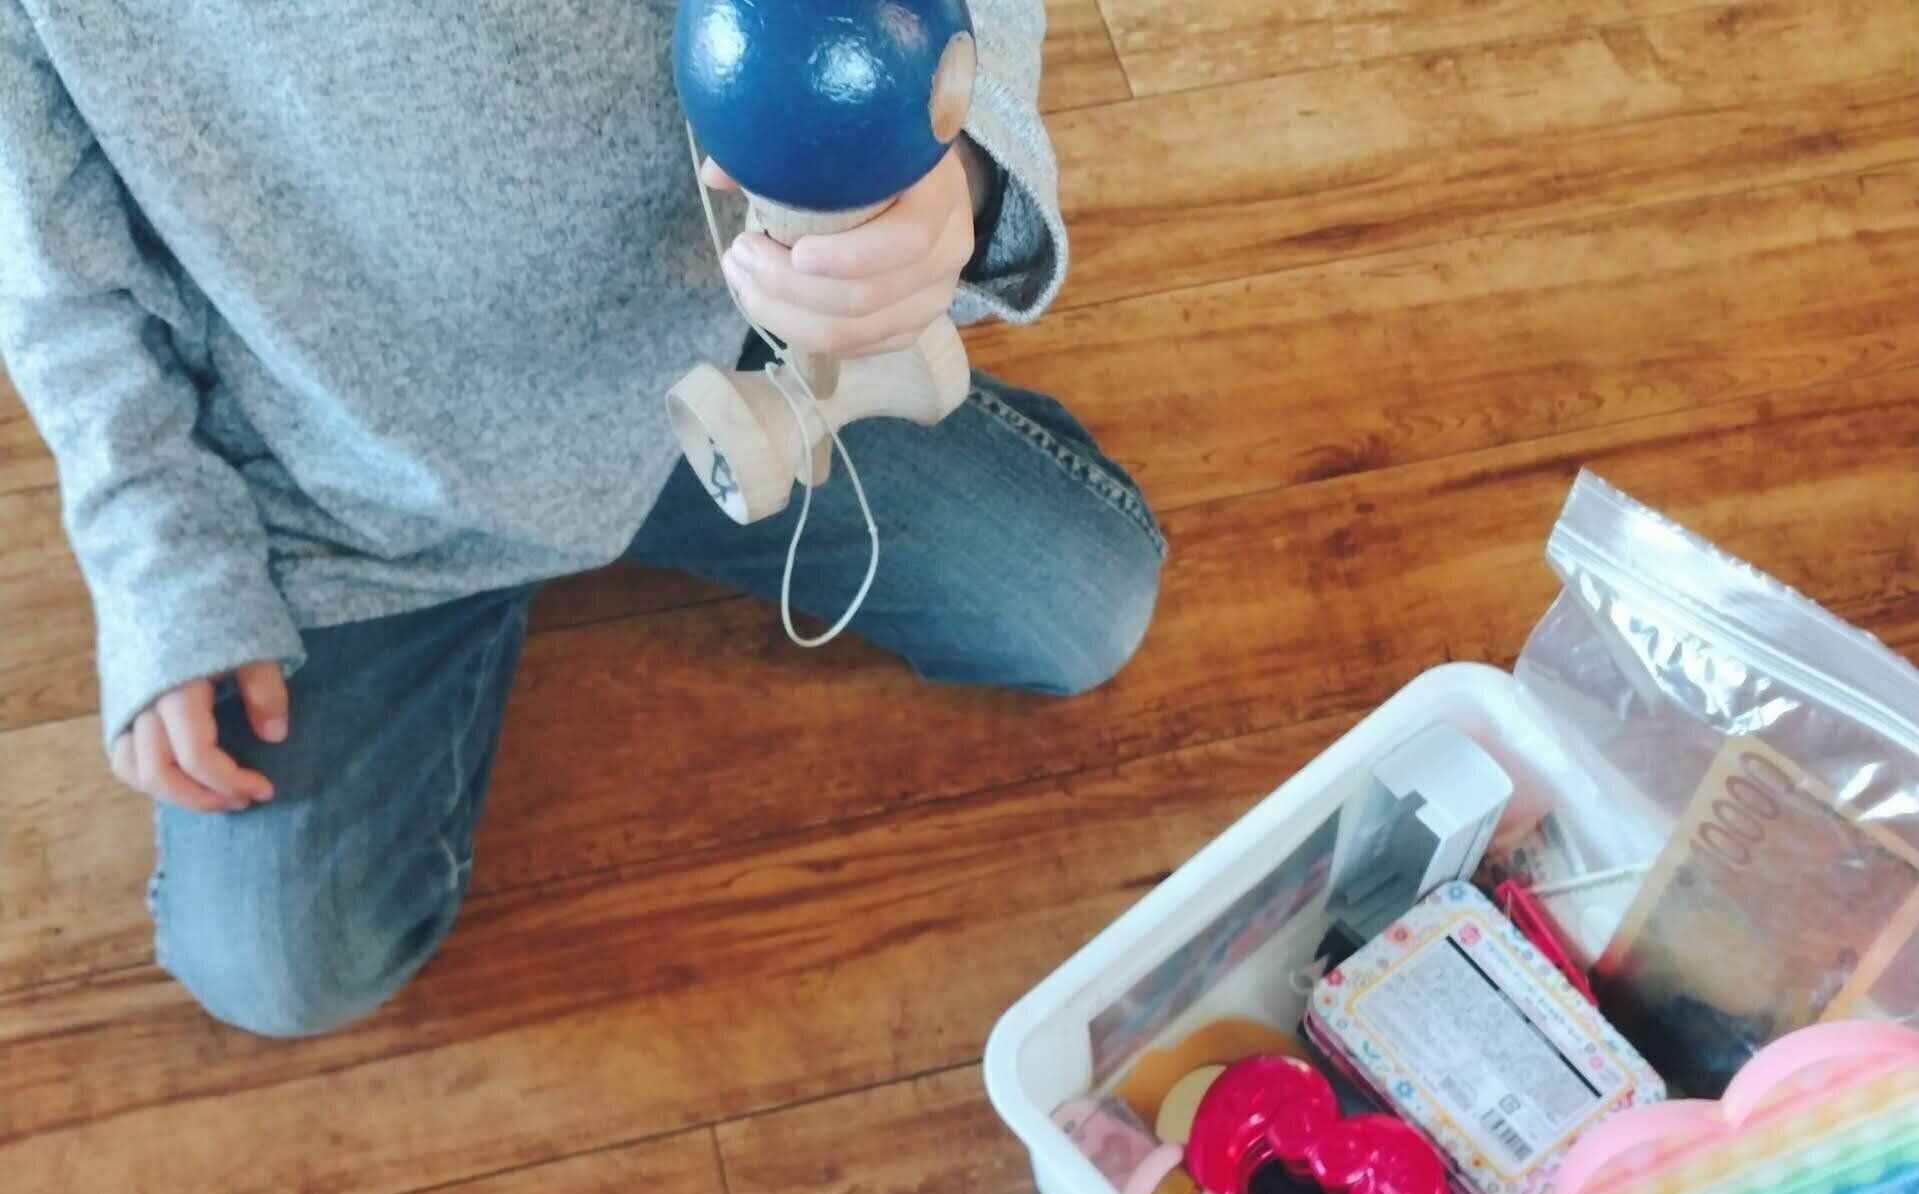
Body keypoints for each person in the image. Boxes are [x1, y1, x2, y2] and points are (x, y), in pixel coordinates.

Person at [0, 1, 1164, 1038]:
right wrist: (162, 563)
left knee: (1082, 600)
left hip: (711, 329)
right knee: (279, 962)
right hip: (345, 474)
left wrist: (958, 160)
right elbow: (53, 278)